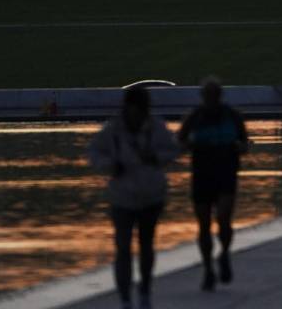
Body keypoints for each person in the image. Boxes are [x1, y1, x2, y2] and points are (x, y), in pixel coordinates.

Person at [88, 85, 179, 309]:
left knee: (146, 245)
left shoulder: (156, 127)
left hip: (151, 195)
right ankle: (126, 299)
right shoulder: (113, 129)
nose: (137, 113)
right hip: (122, 197)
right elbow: (94, 153)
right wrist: (110, 166)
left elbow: (173, 150)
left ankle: (145, 291)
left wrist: (155, 157)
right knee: (123, 248)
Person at [177, 77, 249, 292]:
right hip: (202, 175)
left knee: (224, 218)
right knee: (204, 225)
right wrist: (188, 145)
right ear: (203, 96)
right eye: (208, 95)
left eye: (214, 94)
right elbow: (179, 141)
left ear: (219, 95)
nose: (211, 98)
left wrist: (240, 147)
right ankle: (208, 268)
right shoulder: (194, 117)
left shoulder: (233, 116)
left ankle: (224, 253)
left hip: (226, 173)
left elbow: (245, 143)